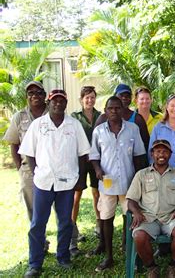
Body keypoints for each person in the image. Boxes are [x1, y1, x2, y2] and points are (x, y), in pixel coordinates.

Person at [18, 89, 90, 277]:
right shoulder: (38, 125)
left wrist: (81, 180)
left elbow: (83, 154)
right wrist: (36, 172)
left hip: (67, 183)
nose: (58, 103)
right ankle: (35, 264)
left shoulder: (74, 125)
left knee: (65, 222)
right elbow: (29, 152)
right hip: (43, 182)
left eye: (62, 101)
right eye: (54, 101)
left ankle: (63, 257)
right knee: (37, 224)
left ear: (66, 103)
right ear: (49, 103)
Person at [88, 96, 147, 271]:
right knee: (107, 218)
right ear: (105, 111)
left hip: (128, 184)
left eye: (117, 108)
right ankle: (109, 256)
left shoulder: (133, 129)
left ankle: (133, 255)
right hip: (107, 184)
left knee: (130, 220)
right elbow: (94, 156)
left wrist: (138, 180)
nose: (114, 111)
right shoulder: (99, 131)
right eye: (110, 108)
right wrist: (97, 170)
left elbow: (139, 156)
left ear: (123, 110)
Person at [126, 139, 175, 278]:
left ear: (170, 154)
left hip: (171, 217)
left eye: (165, 151)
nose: (161, 154)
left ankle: (173, 266)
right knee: (139, 235)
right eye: (158, 151)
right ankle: (151, 267)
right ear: (152, 154)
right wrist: (136, 212)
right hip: (148, 218)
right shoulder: (142, 174)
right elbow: (131, 200)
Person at [3, 81, 48, 223]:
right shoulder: (19, 117)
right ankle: (39, 243)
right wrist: (20, 168)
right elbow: (14, 144)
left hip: (52, 167)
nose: (35, 96)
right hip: (28, 170)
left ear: (45, 95)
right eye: (31, 93)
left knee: (62, 207)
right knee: (33, 210)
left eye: (39, 92)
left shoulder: (53, 113)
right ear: (26, 96)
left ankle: (69, 241)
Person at [70, 86, 102, 256]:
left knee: (97, 193)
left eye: (92, 97)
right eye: (86, 98)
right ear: (81, 99)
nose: (89, 100)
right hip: (80, 161)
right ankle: (73, 229)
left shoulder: (100, 116)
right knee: (77, 196)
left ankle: (99, 225)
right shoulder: (75, 117)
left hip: (97, 160)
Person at [95, 84, 150, 148]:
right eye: (121, 95)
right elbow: (95, 143)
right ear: (115, 96)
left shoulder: (138, 119)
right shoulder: (103, 118)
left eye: (127, 96)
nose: (124, 98)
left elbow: (146, 144)